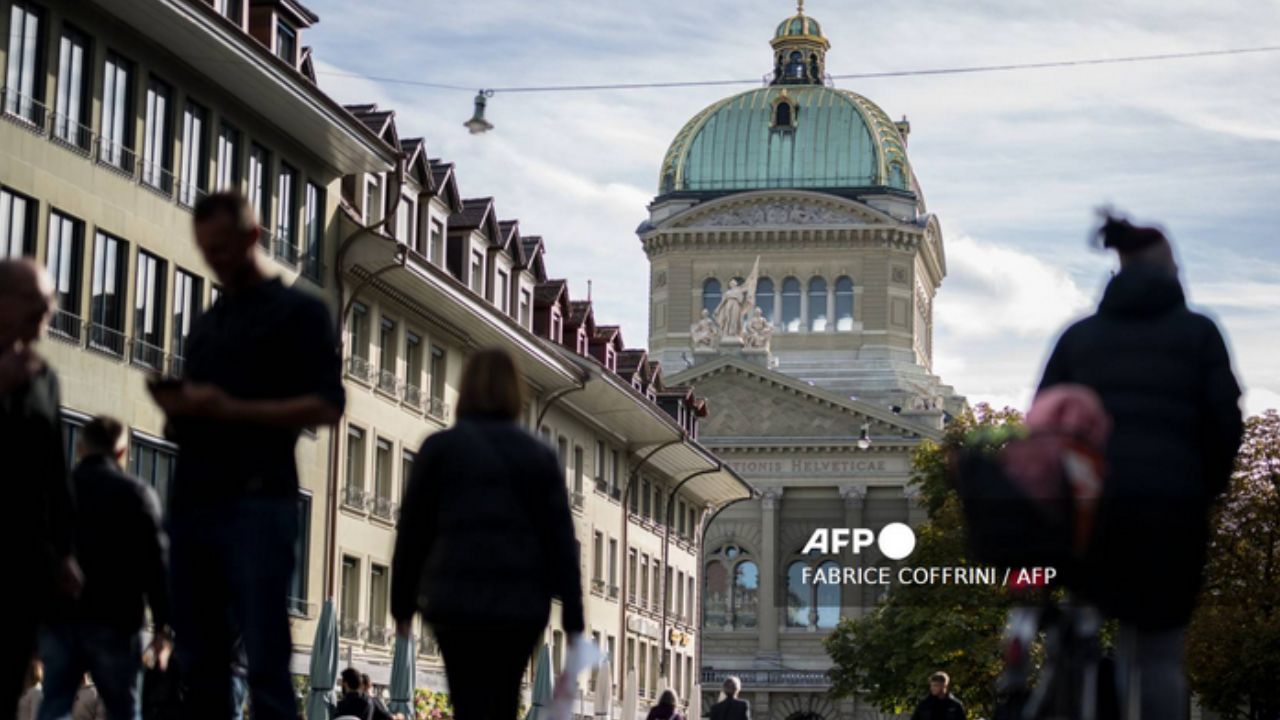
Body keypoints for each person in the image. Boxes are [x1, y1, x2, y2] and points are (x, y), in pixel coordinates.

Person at [148, 192, 345, 720]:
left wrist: (231, 409)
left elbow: (329, 404)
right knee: (202, 666)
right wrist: (181, 411)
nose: (215, 260)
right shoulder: (210, 323)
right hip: (194, 503)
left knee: (265, 663)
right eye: (206, 251)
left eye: (224, 248)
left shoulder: (300, 312)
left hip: (259, 499)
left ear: (253, 238)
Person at [1038, 214, 1243, 720]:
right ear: (1170, 269)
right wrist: (1202, 489)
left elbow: (1043, 427)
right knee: (1155, 653)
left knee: (1080, 630)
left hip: (1091, 514)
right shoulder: (1199, 334)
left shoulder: (1078, 339)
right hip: (1171, 514)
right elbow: (1225, 426)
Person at [391, 348, 584, 720]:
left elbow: (412, 533)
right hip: (519, 605)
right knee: (503, 700)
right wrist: (573, 621)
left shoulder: (439, 450)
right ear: (517, 392)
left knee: (466, 699)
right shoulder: (539, 456)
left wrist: (402, 606)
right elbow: (560, 542)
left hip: (454, 600)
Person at [37, 416, 171, 720]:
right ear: (122, 452)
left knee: (55, 701)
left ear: (81, 448)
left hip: (60, 616)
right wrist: (163, 626)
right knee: (123, 709)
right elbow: (157, 565)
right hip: (117, 619)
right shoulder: (138, 495)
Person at [0, 259, 81, 716]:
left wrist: (65, 552)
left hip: (21, 564)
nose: (48, 312)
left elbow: (53, 473)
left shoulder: (43, 377)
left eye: (51, 302)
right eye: (37, 302)